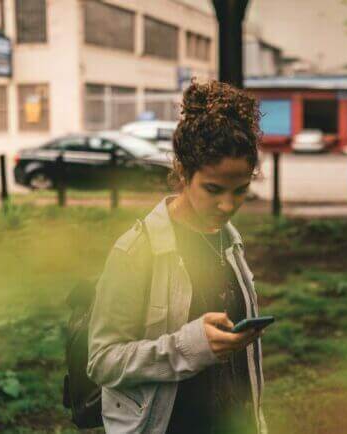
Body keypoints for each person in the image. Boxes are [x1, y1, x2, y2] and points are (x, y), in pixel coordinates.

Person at [86, 80, 268, 434]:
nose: (228, 205)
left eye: (241, 190)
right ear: (183, 173)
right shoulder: (137, 250)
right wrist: (189, 347)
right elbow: (102, 361)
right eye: (213, 190)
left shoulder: (230, 241)